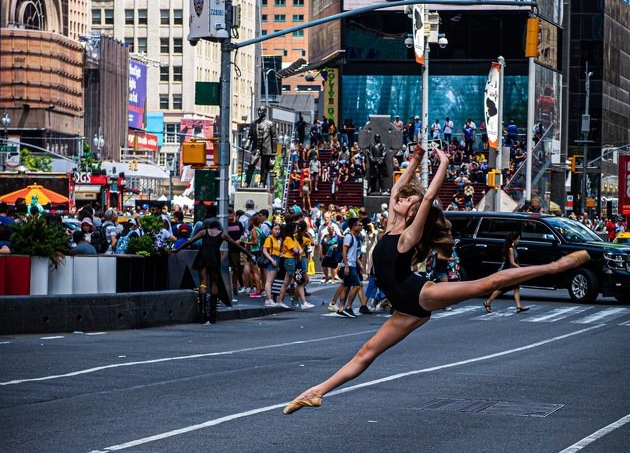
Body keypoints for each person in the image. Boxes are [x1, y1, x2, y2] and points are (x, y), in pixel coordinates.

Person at [283, 143, 589, 415]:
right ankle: (316, 392)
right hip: (404, 309)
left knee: (487, 284)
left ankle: (555, 267)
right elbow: (396, 188)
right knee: (366, 353)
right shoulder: (390, 225)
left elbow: (428, 196)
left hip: (418, 295)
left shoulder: (407, 236)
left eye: (407, 200)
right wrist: (415, 161)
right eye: (402, 197)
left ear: (413, 212)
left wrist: (443, 162)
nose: (400, 198)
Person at [174, 217, 253, 324]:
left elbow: (190, 241)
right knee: (214, 283)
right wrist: (248, 254)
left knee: (203, 282)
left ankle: (202, 314)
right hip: (214, 258)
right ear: (218, 227)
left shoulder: (203, 232)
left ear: (209, 227)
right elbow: (236, 245)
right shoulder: (222, 234)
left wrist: (177, 250)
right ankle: (212, 315)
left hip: (202, 256)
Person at [483, 232, 529, 313]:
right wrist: (521, 269)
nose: (519, 241)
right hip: (508, 271)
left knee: (516, 287)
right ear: (513, 240)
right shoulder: (510, 249)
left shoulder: (513, 247)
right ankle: (488, 302)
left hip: (512, 271)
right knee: (502, 288)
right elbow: (512, 262)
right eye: (518, 239)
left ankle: (518, 307)